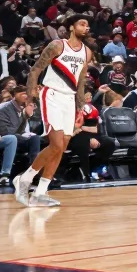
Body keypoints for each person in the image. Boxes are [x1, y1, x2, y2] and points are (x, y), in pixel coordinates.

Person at [14, 15, 93, 206]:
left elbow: (81, 80)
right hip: (51, 94)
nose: (87, 27)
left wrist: (80, 104)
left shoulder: (87, 52)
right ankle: (24, 179)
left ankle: (41, 191)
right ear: (72, 27)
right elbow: (35, 70)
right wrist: (30, 97)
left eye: (88, 25)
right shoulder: (57, 45)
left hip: (69, 98)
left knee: (62, 147)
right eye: (83, 24)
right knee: (56, 144)